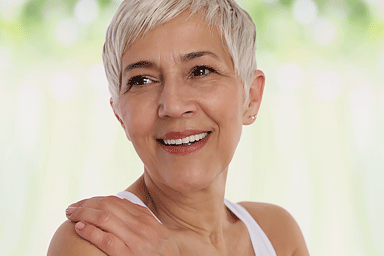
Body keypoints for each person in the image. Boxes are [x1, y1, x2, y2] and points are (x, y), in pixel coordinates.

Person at [48, 0, 310, 255]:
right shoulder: (93, 243)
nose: (172, 105)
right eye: (142, 80)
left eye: (200, 71)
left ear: (251, 97)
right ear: (119, 113)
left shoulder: (278, 234)